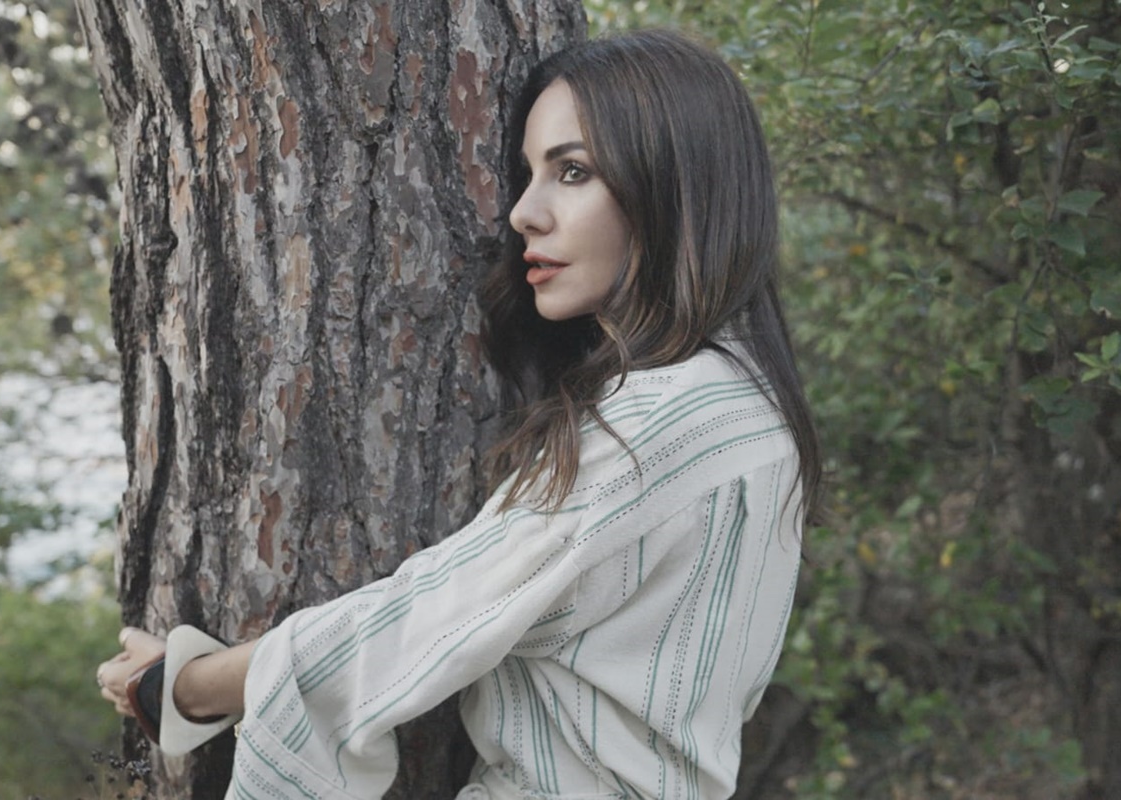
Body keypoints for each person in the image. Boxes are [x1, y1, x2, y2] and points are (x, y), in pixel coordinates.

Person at [96, 29, 821, 800]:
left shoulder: (666, 419)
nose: (523, 213)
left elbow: (428, 617)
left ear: (676, 184)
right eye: (527, 173)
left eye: (572, 171)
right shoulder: (744, 407)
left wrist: (183, 686)